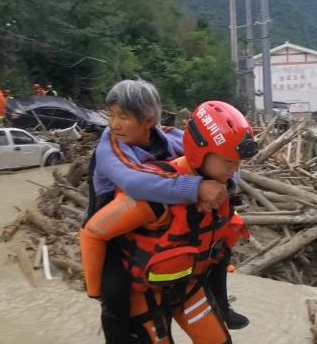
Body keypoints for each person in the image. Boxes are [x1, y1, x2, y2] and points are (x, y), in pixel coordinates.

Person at [85, 79, 248, 344]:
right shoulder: (110, 146)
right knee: (114, 292)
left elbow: (214, 155)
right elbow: (135, 183)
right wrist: (196, 188)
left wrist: (224, 185)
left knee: (222, 242)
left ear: (148, 120)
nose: (114, 124)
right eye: (112, 115)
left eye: (123, 117)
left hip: (163, 223)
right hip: (114, 230)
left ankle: (222, 307)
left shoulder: (169, 136)